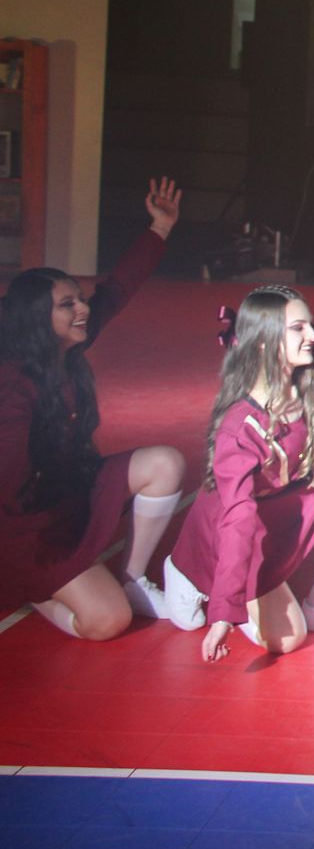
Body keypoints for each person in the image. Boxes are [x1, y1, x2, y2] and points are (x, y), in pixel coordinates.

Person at [165, 214, 314, 658]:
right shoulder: (240, 427)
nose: (312, 333)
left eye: (308, 324)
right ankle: (187, 573)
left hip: (291, 500)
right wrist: (223, 613)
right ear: (264, 342)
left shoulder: (303, 365)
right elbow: (237, 519)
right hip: (241, 527)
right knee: (287, 642)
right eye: (297, 328)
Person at [0, 179, 185, 640]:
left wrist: (160, 229)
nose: (83, 308)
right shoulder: (13, 387)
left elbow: (115, 291)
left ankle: (133, 577)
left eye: (79, 298)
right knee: (107, 621)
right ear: (38, 320)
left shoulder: (66, 348)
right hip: (27, 528)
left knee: (165, 463)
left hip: (71, 493)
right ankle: (31, 586)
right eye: (68, 304)